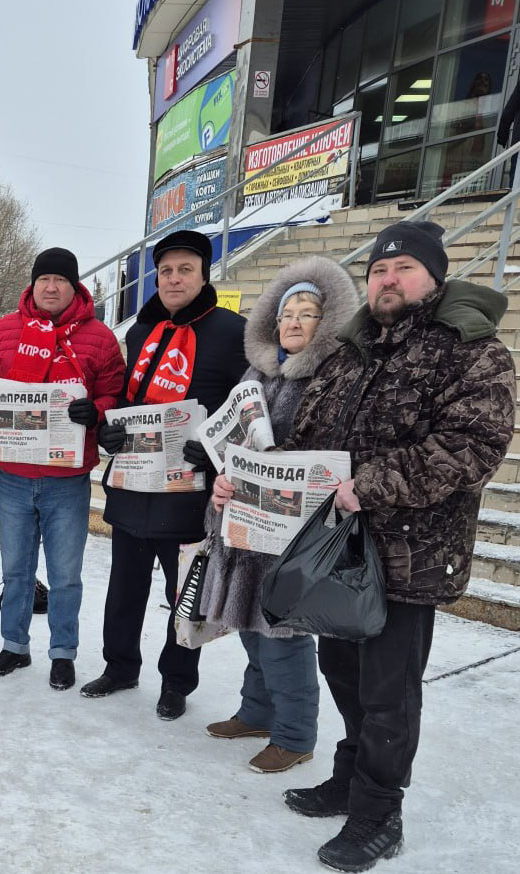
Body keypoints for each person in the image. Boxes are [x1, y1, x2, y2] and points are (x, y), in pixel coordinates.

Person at [220, 221, 513, 871]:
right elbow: (307, 441)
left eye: (403, 268)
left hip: (409, 554)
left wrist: (368, 484)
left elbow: (470, 449)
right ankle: (349, 777)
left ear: (432, 277)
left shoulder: (470, 349)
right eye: (379, 269)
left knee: (388, 690)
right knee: (341, 670)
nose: (387, 279)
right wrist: (243, 479)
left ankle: (379, 810)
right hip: (338, 549)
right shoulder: (351, 350)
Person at [198, 256, 359, 774]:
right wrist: (223, 480)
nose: (293, 321)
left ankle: (295, 734)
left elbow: (335, 456)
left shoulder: (335, 377)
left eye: (307, 312)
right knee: (247, 625)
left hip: (293, 533)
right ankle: (257, 711)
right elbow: (231, 444)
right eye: (287, 312)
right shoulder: (255, 373)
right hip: (244, 526)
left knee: (284, 636)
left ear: (327, 322)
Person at [82, 230, 246, 720]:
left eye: (185, 270)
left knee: (184, 592)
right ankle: (120, 665)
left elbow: (246, 405)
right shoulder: (138, 332)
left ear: (203, 275)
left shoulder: (232, 331)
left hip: (191, 491)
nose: (174, 279)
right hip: (135, 484)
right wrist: (111, 432)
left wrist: (215, 447)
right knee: (124, 585)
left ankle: (177, 681)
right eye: (166, 271)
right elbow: (131, 403)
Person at [0, 247, 124, 690]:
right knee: (16, 570)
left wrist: (97, 411)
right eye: (43, 279)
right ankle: (14, 645)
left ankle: (62, 652)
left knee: (65, 574)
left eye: (60, 280)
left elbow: (114, 393)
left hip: (67, 479)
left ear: (75, 287)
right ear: (32, 284)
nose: (51, 287)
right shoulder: (4, 331)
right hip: (14, 476)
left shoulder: (99, 337)